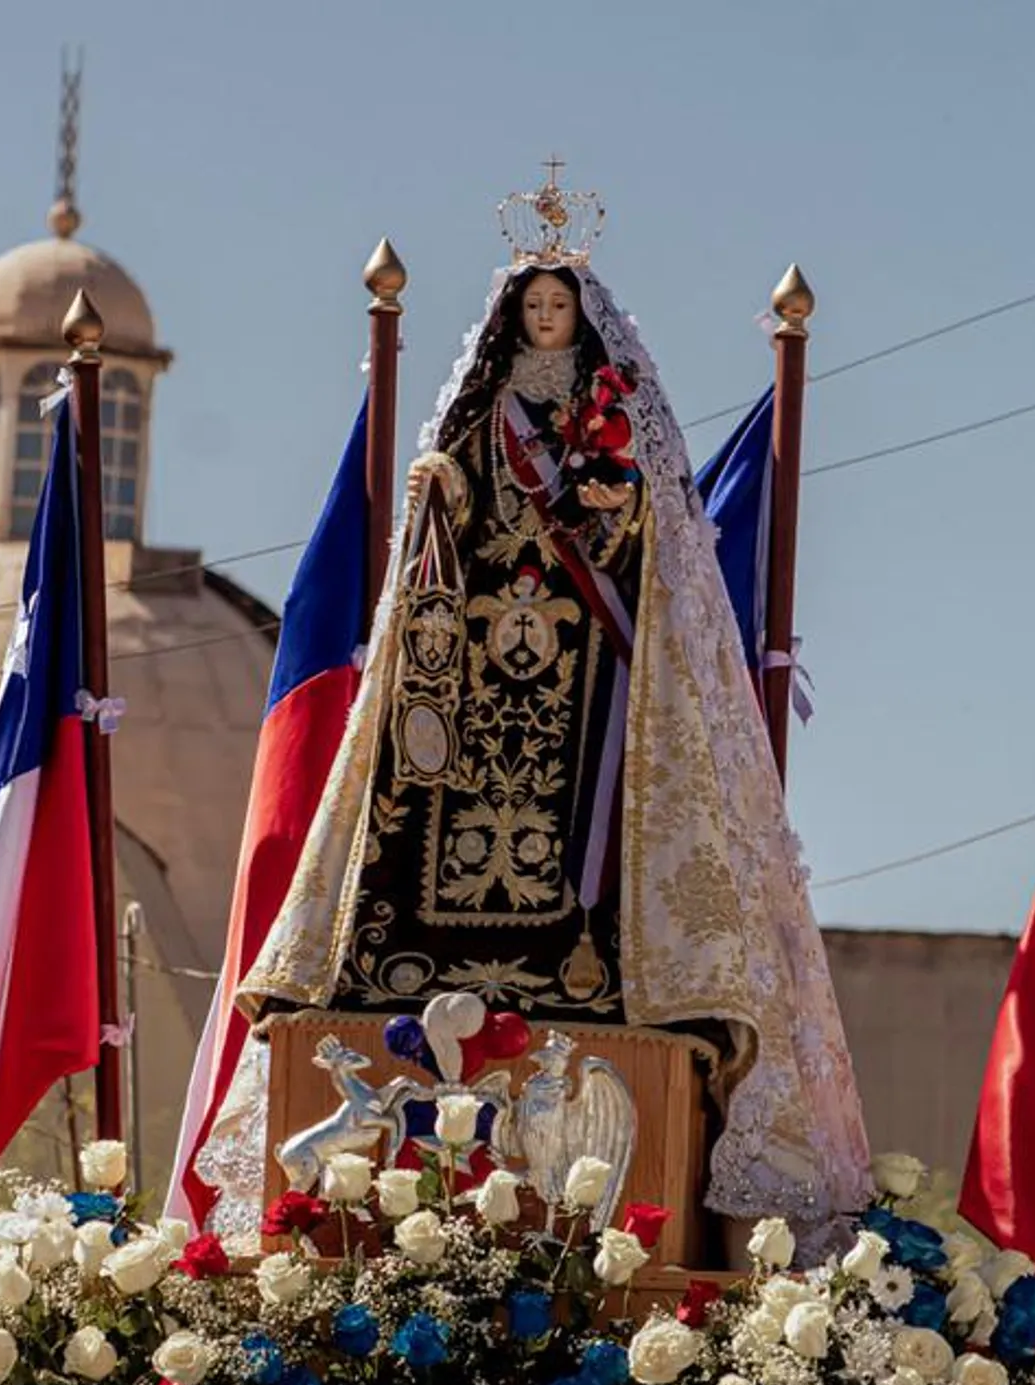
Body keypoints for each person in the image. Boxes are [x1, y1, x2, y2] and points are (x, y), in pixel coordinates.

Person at [211, 197, 869, 1256]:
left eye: (562, 304)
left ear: (581, 318)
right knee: (440, 809)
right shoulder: (484, 416)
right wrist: (434, 490)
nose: (550, 319)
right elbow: (453, 511)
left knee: (575, 817)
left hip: (581, 673)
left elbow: (640, 544)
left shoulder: (609, 416)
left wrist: (612, 506)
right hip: (479, 665)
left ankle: (583, 950)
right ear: (514, 321)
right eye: (538, 305)